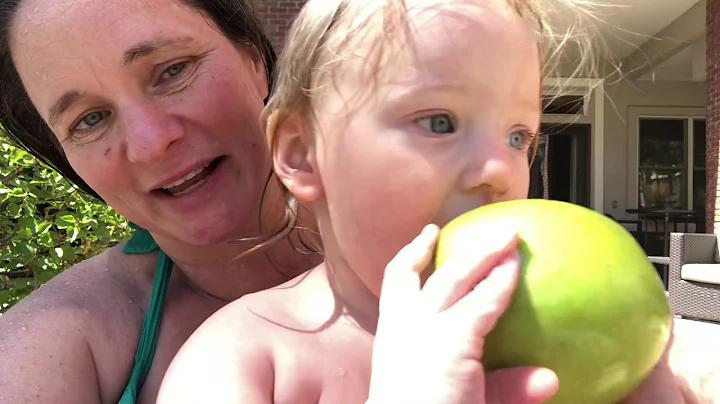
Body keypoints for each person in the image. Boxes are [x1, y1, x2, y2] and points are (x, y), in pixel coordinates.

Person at [156, 0, 705, 403]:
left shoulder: (567, 338)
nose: (498, 170)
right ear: (302, 154)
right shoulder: (245, 363)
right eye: (439, 122)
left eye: (518, 137)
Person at [0, 0, 324, 403]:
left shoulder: (419, 216)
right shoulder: (48, 349)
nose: (150, 144)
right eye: (89, 119)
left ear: (255, 59)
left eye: (173, 70)